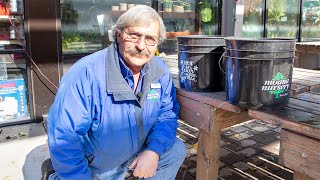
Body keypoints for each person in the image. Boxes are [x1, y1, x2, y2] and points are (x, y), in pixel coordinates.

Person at [47, 5, 186, 180]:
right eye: (134, 35)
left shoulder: (160, 71)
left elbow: (166, 114)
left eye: (150, 39)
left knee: (175, 150)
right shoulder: (85, 74)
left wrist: (153, 151)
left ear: (157, 43)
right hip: (96, 166)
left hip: (133, 155)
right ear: (119, 35)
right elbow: (64, 138)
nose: (141, 46)